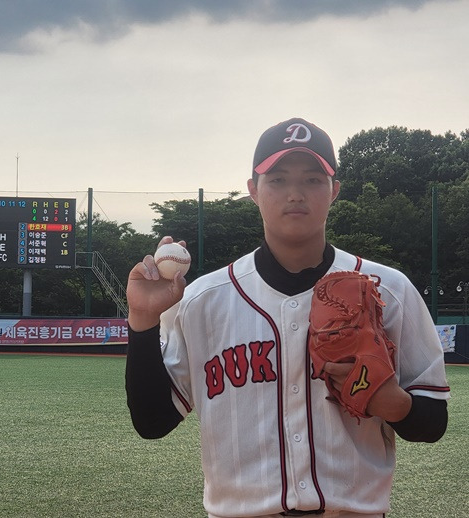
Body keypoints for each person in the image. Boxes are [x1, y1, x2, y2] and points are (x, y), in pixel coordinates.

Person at [125, 117, 450, 518]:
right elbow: (152, 421)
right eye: (277, 179)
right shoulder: (203, 300)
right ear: (253, 191)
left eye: (313, 179)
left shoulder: (390, 290)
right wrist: (142, 320)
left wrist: (396, 405)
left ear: (334, 191)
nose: (295, 193)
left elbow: (432, 422)